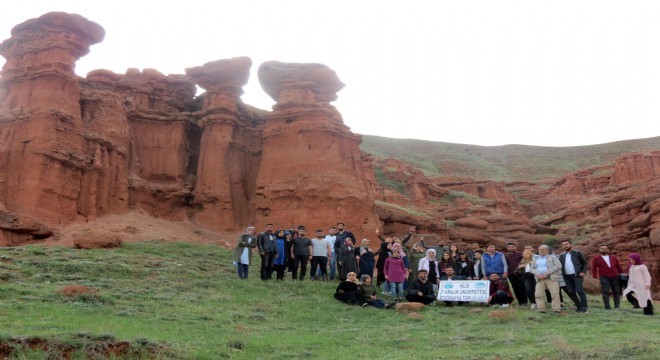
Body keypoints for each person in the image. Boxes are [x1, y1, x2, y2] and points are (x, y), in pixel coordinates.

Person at [558, 240, 589, 313]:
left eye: (566, 244)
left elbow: (585, 263)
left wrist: (583, 272)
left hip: (577, 275)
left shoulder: (577, 253)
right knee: (571, 292)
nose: (565, 246)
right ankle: (579, 306)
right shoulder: (561, 255)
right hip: (566, 276)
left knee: (580, 291)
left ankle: (584, 307)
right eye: (563, 245)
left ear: (570, 244)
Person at [530, 245, 562, 314]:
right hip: (540, 279)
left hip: (551, 278)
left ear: (547, 250)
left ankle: (556, 309)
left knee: (554, 294)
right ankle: (541, 309)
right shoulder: (535, 258)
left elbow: (558, 266)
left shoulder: (553, 257)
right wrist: (538, 274)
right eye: (540, 249)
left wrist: (547, 273)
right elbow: (532, 269)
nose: (541, 250)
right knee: (538, 294)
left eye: (543, 249)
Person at [591, 244, 624, 310]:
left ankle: (617, 306)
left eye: (605, 248)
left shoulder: (613, 257)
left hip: (615, 276)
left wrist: (622, 273)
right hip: (604, 277)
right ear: (599, 250)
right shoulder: (596, 258)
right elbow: (594, 268)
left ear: (608, 250)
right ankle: (607, 307)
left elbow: (618, 266)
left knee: (616, 291)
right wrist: (594, 277)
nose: (603, 249)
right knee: (605, 291)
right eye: (602, 248)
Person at [505, 243, 527, 307]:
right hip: (511, 274)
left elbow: (525, 262)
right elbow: (506, 264)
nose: (511, 248)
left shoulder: (520, 254)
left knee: (522, 287)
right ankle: (520, 301)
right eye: (509, 247)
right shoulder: (506, 256)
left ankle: (524, 301)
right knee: (515, 288)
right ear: (507, 248)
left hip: (520, 274)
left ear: (515, 247)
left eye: (512, 247)